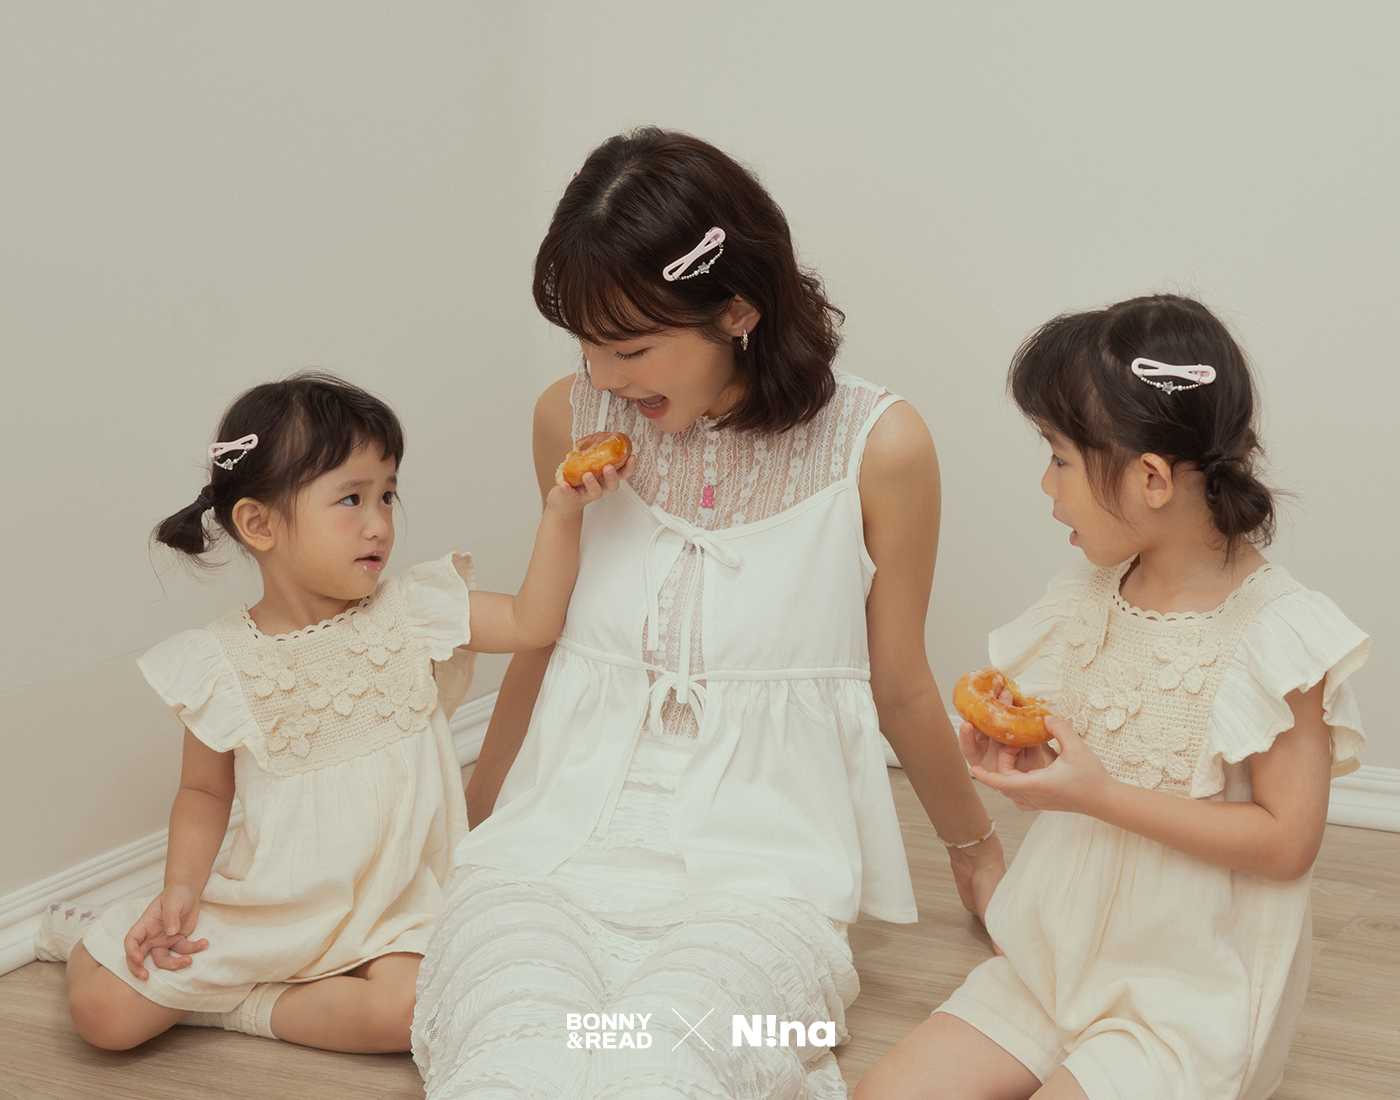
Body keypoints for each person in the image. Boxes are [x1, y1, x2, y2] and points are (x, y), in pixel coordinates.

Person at [413, 128, 1004, 1099]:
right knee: (505, 1059)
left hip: (765, 873)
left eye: (631, 347)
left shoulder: (878, 447)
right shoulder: (570, 419)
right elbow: (543, 639)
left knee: (661, 1065)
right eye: (586, 345)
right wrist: (474, 827)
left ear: (737, 309)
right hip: (549, 846)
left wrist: (975, 855)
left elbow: (899, 682)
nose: (605, 376)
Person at [856, 295, 1368, 1100]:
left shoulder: (1274, 636)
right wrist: (1036, 762)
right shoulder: (1088, 596)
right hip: (1053, 961)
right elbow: (1091, 756)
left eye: (1059, 458)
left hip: (1183, 996)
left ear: (1151, 478)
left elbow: (1286, 842)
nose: (1046, 485)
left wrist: (1097, 795)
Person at [52, 370, 630, 1052]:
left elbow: (534, 623)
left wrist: (562, 514)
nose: (379, 523)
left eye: (387, 494)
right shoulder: (221, 663)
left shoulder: (412, 611)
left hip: (397, 908)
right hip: (275, 911)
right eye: (351, 499)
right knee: (105, 1016)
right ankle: (94, 937)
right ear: (259, 524)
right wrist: (181, 888)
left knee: (413, 1009)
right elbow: (204, 792)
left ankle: (239, 1008)